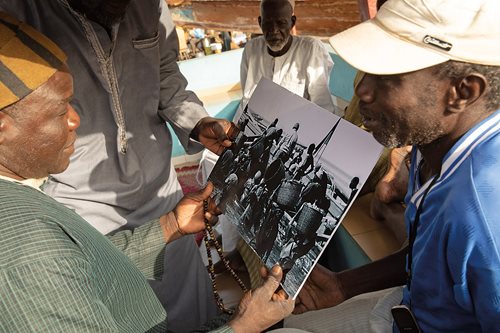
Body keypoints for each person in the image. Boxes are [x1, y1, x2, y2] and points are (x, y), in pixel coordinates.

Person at [0, 14, 295, 332]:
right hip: (85, 203)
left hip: (160, 202)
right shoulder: (28, 250)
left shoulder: (23, 201)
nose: (76, 121)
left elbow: (95, 268)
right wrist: (244, 325)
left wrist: (171, 225)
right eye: (62, 110)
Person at [273, 0, 500, 332]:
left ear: (462, 92)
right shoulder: (433, 143)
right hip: (408, 305)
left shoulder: (484, 217)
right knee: (287, 323)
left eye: (390, 75)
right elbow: (430, 257)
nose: (362, 88)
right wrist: (343, 285)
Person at [237, 0, 337, 117]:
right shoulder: (251, 49)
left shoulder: (311, 49)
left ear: (292, 22)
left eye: (281, 23)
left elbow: (323, 108)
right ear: (260, 22)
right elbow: (247, 100)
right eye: (268, 23)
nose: (274, 30)